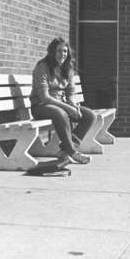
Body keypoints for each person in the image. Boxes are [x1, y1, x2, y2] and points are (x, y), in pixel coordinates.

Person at [30, 37, 97, 165]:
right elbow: (45, 97)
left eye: (65, 51)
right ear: (52, 52)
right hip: (41, 106)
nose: (63, 54)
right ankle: (72, 152)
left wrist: (73, 105)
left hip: (59, 105)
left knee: (89, 116)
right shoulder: (42, 66)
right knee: (61, 113)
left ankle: (65, 151)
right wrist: (68, 108)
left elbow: (71, 92)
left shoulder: (67, 67)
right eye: (59, 51)